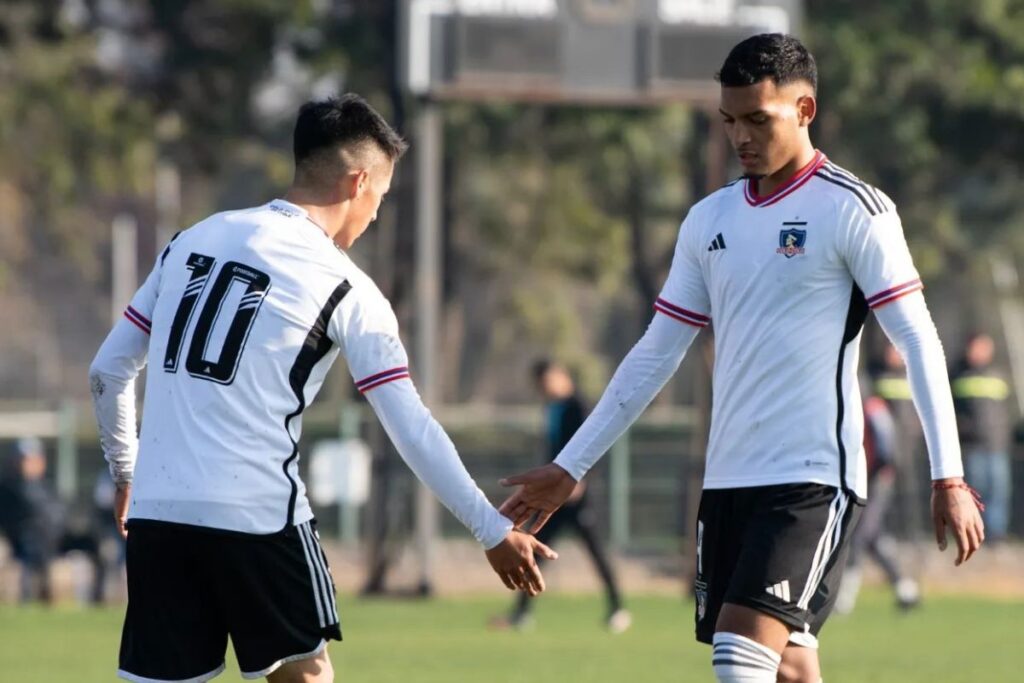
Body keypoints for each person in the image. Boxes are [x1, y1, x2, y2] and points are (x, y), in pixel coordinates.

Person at [498, 34, 984, 683]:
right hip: (729, 483)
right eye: (730, 121)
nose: (741, 137)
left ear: (805, 109)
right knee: (789, 669)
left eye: (759, 119)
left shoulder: (855, 211)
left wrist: (947, 476)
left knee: (740, 657)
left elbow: (919, 338)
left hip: (812, 481)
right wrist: (570, 465)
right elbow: (657, 351)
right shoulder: (710, 220)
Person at [88, 94, 554, 683]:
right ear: (359, 182)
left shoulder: (190, 241)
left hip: (159, 517)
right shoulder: (346, 287)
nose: (377, 214)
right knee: (304, 677)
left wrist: (127, 475)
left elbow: (107, 371)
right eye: (381, 197)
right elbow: (409, 425)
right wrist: (490, 530)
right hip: (258, 518)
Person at [491, 360, 630, 632]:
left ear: (562, 376)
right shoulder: (551, 408)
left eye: (549, 380)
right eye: (541, 383)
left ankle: (618, 609)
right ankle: (521, 613)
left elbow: (596, 444)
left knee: (597, 554)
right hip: (553, 500)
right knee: (532, 551)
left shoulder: (579, 406)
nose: (547, 386)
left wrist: (582, 481)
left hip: (578, 499)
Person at [833, 393, 920, 615]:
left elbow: (886, 445)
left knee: (860, 534)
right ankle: (904, 587)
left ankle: (845, 597)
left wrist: (882, 470)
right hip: (862, 477)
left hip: (876, 479)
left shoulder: (873, 407)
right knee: (872, 536)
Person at [952, 333, 1013, 542]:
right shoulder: (958, 374)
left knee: (998, 489)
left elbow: (1008, 409)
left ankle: (996, 534)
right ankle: (976, 530)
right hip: (972, 444)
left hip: (996, 443)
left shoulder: (999, 374)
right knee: (976, 489)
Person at [0, 438, 64, 603]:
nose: (27, 465)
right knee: (30, 550)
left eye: (32, 460)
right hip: (19, 541)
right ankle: (27, 599)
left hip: (49, 540)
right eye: (23, 460)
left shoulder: (48, 487)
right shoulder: (7, 488)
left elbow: (58, 516)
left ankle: (46, 599)